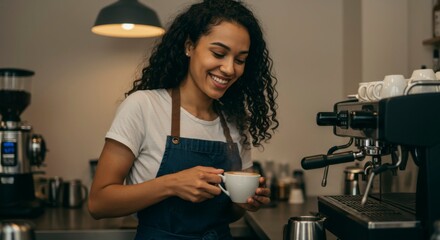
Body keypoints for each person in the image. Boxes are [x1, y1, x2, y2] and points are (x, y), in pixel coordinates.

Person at [88, 0, 279, 239]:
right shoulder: (144, 106)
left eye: (240, 60)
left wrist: (246, 203)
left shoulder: (234, 124)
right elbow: (98, 203)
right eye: (218, 53)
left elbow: (228, 213)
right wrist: (172, 184)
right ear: (189, 46)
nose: (229, 69)